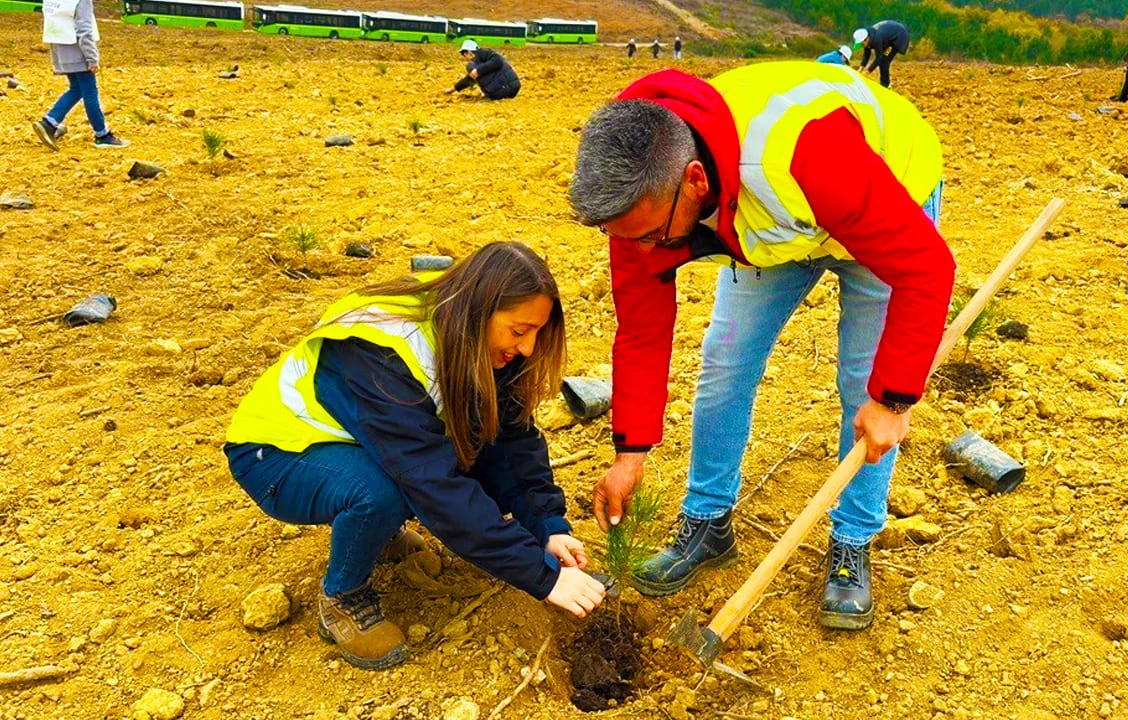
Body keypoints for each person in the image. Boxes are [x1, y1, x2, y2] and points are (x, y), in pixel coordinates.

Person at [569, 62, 954, 631]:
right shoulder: (638, 197)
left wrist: (893, 399)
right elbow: (641, 331)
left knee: (863, 385)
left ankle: (852, 541)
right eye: (630, 239)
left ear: (695, 181)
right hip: (776, 227)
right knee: (726, 364)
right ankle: (707, 521)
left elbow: (926, 268)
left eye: (653, 236)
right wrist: (631, 452)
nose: (646, 253)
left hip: (883, 191)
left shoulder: (801, 153)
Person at [223, 242, 606, 670]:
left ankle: (377, 531)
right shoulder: (383, 350)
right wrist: (543, 577)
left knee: (453, 450)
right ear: (481, 308)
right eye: (519, 331)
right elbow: (432, 483)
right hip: (276, 453)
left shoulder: (473, 333)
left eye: (537, 332)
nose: (530, 348)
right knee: (383, 492)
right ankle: (342, 597)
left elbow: (511, 444)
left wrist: (547, 527)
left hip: (361, 439)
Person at [31, 0, 128, 150]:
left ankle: (49, 123)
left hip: (61, 51)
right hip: (78, 52)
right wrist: (92, 58)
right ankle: (102, 135)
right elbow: (84, 30)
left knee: (76, 88)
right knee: (90, 91)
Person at [445, 39, 521, 101]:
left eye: (464, 55)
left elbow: (498, 61)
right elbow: (469, 79)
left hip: (501, 90)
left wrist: (478, 70)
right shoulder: (484, 58)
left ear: (469, 52)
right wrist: (454, 88)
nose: (465, 58)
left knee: (470, 66)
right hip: (513, 88)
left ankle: (492, 94)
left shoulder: (482, 56)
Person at [855, 21, 910, 88]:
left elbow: (879, 58)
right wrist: (860, 69)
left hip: (898, 37)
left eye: (862, 44)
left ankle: (885, 85)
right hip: (887, 38)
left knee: (884, 61)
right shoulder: (867, 37)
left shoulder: (876, 39)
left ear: (866, 39)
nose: (862, 46)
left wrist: (868, 71)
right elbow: (866, 54)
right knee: (883, 60)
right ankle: (884, 84)